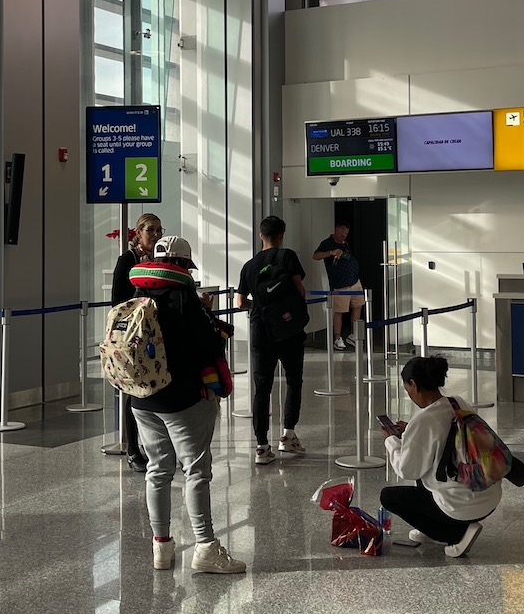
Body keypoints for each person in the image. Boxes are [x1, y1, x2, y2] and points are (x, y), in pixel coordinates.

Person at [127, 236, 247, 574]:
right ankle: (205, 546)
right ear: (182, 265)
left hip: (142, 400)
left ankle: (161, 549)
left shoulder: (137, 295)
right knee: (196, 471)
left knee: (158, 470)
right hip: (183, 400)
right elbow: (207, 345)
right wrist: (204, 313)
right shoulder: (183, 297)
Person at [378, 355, 521, 558]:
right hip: (488, 495)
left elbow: (406, 469)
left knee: (389, 497)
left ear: (413, 384)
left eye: (407, 389)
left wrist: (392, 440)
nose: (409, 394)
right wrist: (409, 432)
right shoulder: (457, 402)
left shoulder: (423, 421)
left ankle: (456, 534)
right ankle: (434, 528)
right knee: (425, 467)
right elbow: (449, 436)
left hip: (460, 508)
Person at [236, 215, 309, 465]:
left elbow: (239, 302)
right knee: (293, 381)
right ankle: (288, 436)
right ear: (281, 235)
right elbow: (300, 289)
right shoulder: (287, 256)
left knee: (262, 388)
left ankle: (261, 446)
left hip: (260, 331)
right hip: (289, 331)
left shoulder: (249, 265)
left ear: (260, 236)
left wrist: (258, 308)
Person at [111, 213, 163, 471]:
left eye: (158, 231)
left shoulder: (160, 260)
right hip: (134, 334)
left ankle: (151, 444)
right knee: (133, 391)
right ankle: (133, 448)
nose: (155, 235)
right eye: (150, 230)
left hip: (155, 333)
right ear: (138, 232)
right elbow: (117, 302)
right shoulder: (127, 260)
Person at [313, 223, 363, 351]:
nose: (343, 236)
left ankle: (353, 335)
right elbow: (316, 255)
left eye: (345, 234)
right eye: (341, 233)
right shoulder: (327, 243)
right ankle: (337, 338)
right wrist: (331, 253)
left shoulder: (345, 243)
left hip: (354, 281)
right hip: (340, 284)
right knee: (339, 311)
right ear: (336, 230)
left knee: (358, 306)